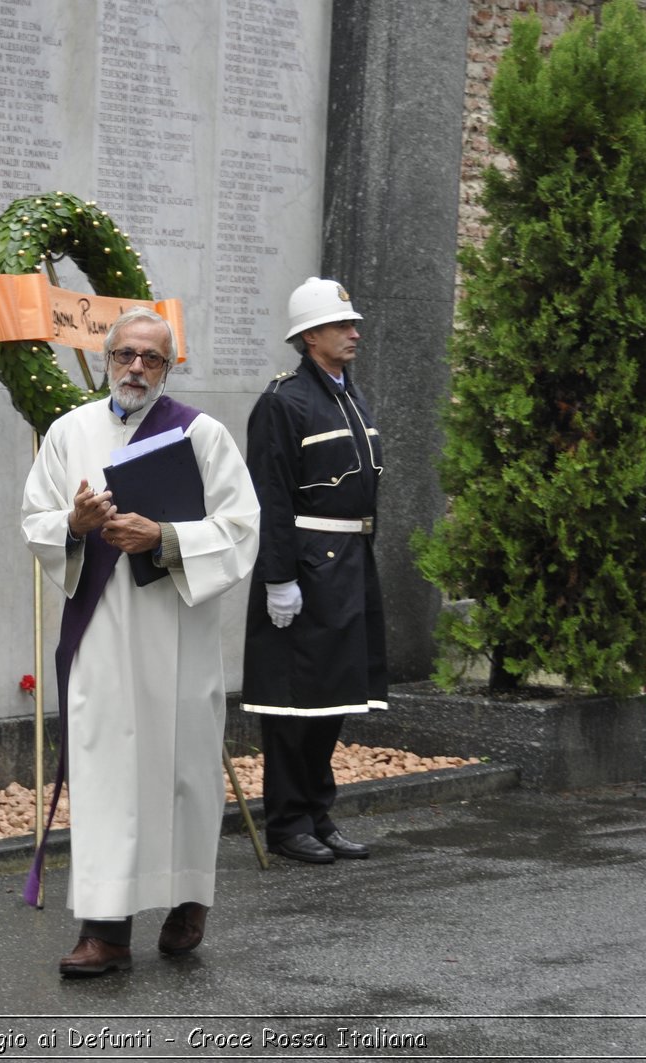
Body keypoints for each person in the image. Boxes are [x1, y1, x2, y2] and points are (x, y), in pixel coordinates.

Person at [21, 305, 259, 977]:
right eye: (126, 354)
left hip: (177, 628)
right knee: (107, 773)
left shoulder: (201, 435)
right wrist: (74, 521)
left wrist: (165, 537)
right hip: (101, 630)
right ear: (107, 358)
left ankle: (188, 898)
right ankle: (105, 929)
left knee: (182, 768)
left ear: (169, 365)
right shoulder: (69, 431)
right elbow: (34, 517)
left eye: (151, 358)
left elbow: (242, 527)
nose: (136, 368)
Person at [241, 277, 387, 865]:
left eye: (352, 324)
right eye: (340, 325)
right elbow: (270, 496)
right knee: (292, 705)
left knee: (332, 698)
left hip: (350, 563)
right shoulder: (284, 401)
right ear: (309, 337)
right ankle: (287, 822)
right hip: (305, 564)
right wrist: (279, 579)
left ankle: (318, 814)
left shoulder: (348, 393)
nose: (353, 333)